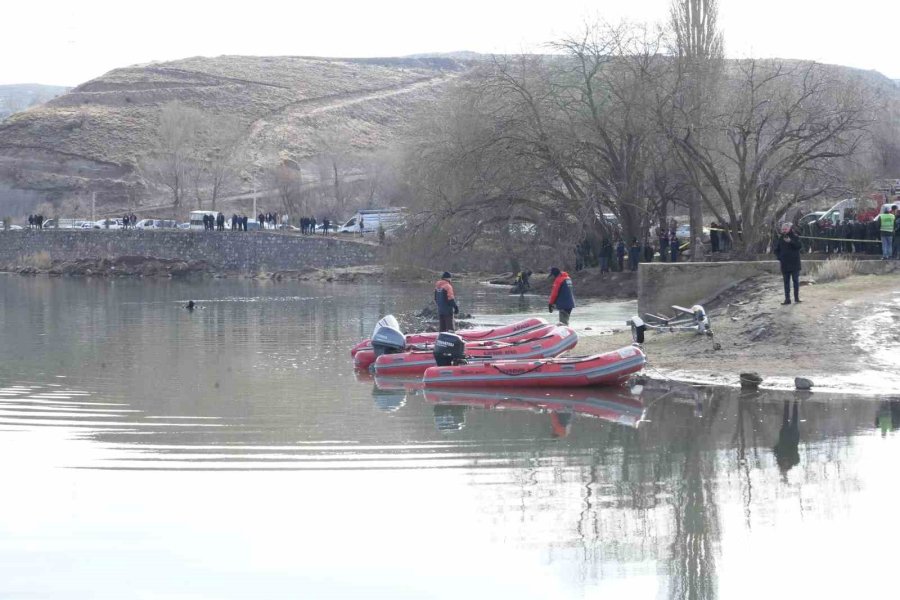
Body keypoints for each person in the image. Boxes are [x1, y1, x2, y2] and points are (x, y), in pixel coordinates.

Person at [774, 222, 802, 305]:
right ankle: (787, 299)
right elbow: (776, 250)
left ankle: (796, 298)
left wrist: (790, 241)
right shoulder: (780, 238)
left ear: (789, 229)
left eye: (785, 229)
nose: (784, 231)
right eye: (783, 229)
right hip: (785, 264)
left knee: (795, 281)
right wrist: (780, 257)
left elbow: (799, 246)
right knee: (786, 282)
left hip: (794, 263)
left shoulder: (795, 237)